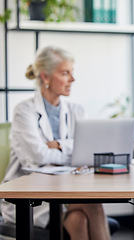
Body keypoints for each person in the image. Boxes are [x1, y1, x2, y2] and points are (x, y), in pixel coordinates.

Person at [0, 46, 111, 240]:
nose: (72, 80)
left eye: (72, 73)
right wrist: (72, 147)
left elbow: (85, 152)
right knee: (91, 204)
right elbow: (39, 156)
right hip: (31, 197)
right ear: (45, 77)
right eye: (65, 73)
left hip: (66, 192)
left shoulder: (76, 111)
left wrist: (58, 144)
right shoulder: (24, 111)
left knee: (79, 220)